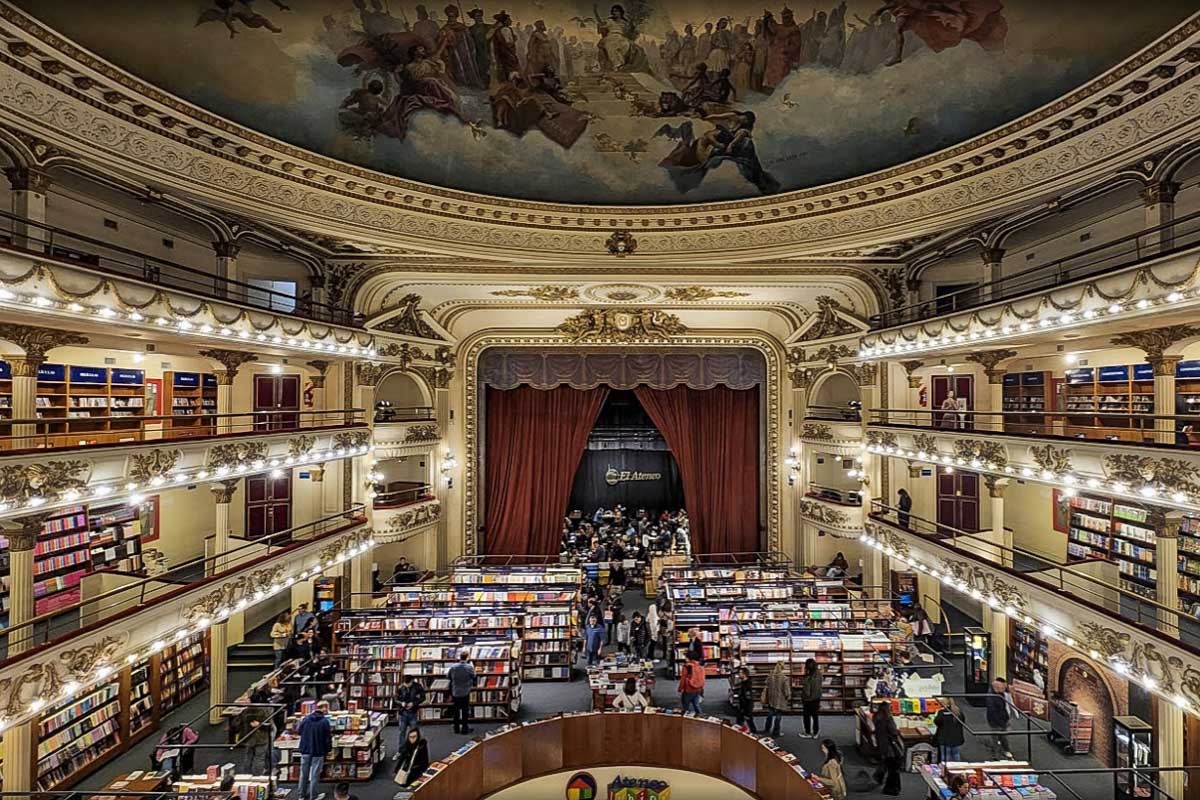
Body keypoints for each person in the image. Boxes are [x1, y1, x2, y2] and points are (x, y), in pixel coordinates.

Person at [297, 700, 333, 800]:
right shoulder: (324, 722)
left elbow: (299, 731)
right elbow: (327, 738)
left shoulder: (306, 719)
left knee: (303, 774)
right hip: (318, 751)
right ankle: (314, 796)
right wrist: (328, 749)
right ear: (324, 708)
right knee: (314, 775)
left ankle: (301, 796)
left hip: (305, 750)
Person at [872, 702, 905, 796]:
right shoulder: (888, 718)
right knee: (894, 769)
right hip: (891, 748)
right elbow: (893, 731)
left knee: (887, 764)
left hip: (882, 745)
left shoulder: (876, 717)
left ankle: (879, 777)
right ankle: (892, 788)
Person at [242, 688, 276, 774]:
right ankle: (257, 776)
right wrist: (260, 725)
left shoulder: (246, 711)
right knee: (259, 757)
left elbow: (239, 723)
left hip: (249, 737)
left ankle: (246, 775)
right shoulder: (264, 711)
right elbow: (270, 726)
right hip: (262, 738)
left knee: (248, 757)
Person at [448, 649, 476, 735]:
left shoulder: (453, 667)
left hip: (455, 691)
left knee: (456, 711)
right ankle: (464, 729)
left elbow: (449, 677)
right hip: (465, 691)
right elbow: (473, 676)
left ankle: (456, 728)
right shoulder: (469, 667)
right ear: (467, 657)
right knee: (465, 711)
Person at [762, 661, 791, 737]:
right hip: (780, 700)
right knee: (778, 717)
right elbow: (786, 691)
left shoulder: (770, 676)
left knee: (770, 714)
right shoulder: (784, 678)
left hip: (771, 698)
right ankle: (776, 733)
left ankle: (766, 729)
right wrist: (788, 697)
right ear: (783, 668)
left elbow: (766, 683)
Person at [986, 677, 1012, 759]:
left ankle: (1006, 750)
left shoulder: (1001, 694)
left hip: (1003, 720)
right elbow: (993, 712)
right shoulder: (991, 698)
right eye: (1003, 687)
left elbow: (1004, 708)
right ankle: (996, 755)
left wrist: (1006, 719)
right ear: (997, 687)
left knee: (1003, 737)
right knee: (996, 738)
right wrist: (1002, 723)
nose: (1005, 689)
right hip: (995, 722)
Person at [397, 674, 426, 743]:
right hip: (403, 712)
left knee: (414, 733)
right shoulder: (400, 687)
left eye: (408, 684)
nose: (407, 685)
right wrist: (401, 703)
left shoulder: (418, 686)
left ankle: (414, 750)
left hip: (413, 712)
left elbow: (423, 697)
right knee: (402, 732)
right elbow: (395, 699)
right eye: (405, 684)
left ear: (412, 681)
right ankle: (401, 751)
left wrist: (414, 703)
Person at [799, 658, 823, 738]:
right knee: (815, 717)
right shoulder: (819, 674)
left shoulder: (808, 676)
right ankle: (815, 733)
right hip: (816, 699)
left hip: (808, 700)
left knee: (806, 717)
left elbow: (807, 689)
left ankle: (808, 733)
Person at [732, 666, 757, 732]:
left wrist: (748, 711)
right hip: (742, 706)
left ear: (745, 674)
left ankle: (754, 733)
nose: (739, 674)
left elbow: (749, 698)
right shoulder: (743, 683)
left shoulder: (747, 685)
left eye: (740, 673)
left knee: (749, 722)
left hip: (746, 707)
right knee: (742, 722)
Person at [583, 597, 606, 666]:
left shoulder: (595, 610)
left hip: (597, 629)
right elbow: (585, 638)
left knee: (596, 659)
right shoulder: (592, 609)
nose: (587, 604)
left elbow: (592, 619)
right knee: (589, 659)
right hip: (591, 629)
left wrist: (600, 649)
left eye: (588, 602)